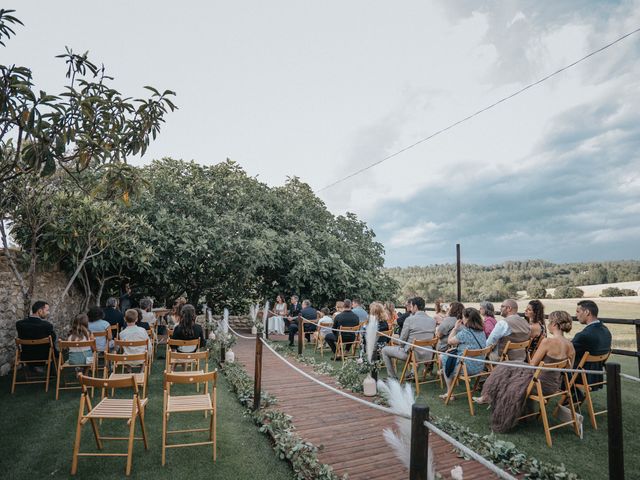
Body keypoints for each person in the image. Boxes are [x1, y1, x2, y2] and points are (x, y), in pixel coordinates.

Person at [473, 310, 575, 433]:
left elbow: (532, 364)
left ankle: (489, 397)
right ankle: (488, 396)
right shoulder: (570, 345)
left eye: (549, 322)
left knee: (508, 375)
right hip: (554, 385)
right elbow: (569, 369)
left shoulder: (548, 342)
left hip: (538, 384)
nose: (548, 324)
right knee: (509, 366)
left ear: (554, 324)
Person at [381, 297, 436, 378]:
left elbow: (401, 341)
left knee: (384, 350)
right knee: (415, 348)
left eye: (411, 306)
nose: (410, 308)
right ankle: (413, 374)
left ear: (415, 307)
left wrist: (400, 345)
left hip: (412, 354)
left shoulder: (409, 320)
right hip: (428, 354)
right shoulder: (432, 320)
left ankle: (392, 377)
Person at [440, 307, 487, 399]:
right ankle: (446, 376)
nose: (462, 319)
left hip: (467, 368)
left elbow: (449, 341)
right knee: (447, 357)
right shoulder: (482, 332)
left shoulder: (465, 333)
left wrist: (455, 328)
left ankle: (449, 393)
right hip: (480, 366)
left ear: (467, 318)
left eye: (463, 317)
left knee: (445, 359)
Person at [572, 300, 612, 388]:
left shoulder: (583, 335)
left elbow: (567, 352)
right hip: (596, 376)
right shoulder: (606, 331)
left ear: (587, 312)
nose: (576, 315)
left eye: (578, 311)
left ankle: (575, 395)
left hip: (581, 376)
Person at [16, 301, 58, 368]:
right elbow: (53, 340)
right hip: (44, 356)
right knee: (53, 340)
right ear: (40, 311)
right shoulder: (47, 325)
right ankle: (52, 369)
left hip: (26, 357)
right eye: (47, 310)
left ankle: (33, 369)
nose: (48, 312)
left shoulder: (19, 324)